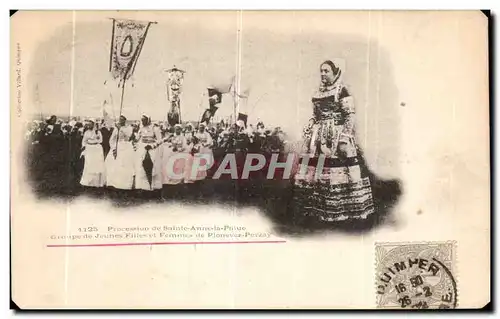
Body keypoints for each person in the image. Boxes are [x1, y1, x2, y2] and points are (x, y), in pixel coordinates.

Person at [291, 60, 375, 223]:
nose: (323, 74)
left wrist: (343, 138)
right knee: (316, 170)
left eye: (326, 71)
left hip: (336, 135)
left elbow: (350, 115)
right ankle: (318, 209)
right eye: (321, 71)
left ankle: (342, 210)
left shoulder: (341, 90)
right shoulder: (317, 92)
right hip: (319, 135)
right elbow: (316, 116)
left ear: (335, 72)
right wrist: (309, 133)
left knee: (338, 172)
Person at [105, 115, 135, 190]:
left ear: (125, 120)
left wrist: (120, 129)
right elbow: (111, 139)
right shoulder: (116, 129)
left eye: (122, 120)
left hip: (126, 147)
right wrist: (113, 148)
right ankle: (113, 183)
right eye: (120, 119)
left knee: (125, 165)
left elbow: (129, 136)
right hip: (117, 147)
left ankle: (123, 184)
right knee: (113, 165)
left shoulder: (128, 128)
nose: (121, 121)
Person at [134, 114, 163, 191]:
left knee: (153, 168)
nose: (142, 121)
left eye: (144, 120)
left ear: (148, 120)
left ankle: (153, 186)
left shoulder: (155, 128)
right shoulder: (141, 129)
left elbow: (160, 140)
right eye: (142, 120)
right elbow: (136, 139)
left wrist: (152, 146)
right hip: (142, 149)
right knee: (141, 167)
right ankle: (143, 187)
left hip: (152, 150)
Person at [80, 119, 105, 188]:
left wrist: (96, 139)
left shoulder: (98, 132)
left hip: (96, 149)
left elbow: (101, 140)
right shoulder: (86, 132)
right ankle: (88, 181)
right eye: (88, 124)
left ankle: (96, 182)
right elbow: (84, 141)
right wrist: (84, 147)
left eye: (90, 124)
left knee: (96, 164)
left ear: (93, 125)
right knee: (89, 164)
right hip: (89, 149)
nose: (89, 126)